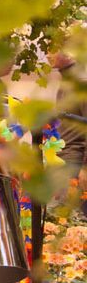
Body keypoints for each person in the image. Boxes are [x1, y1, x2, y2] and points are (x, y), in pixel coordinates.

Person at [49, 52, 86, 216]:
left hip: (76, 163)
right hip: (64, 159)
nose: (49, 53)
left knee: (74, 221)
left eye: (55, 48)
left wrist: (85, 168)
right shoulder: (65, 84)